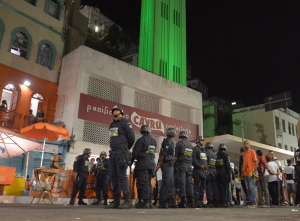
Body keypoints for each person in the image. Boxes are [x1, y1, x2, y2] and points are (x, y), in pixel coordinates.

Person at [106, 106, 135, 209]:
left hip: (121, 153)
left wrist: (125, 148)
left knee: (122, 175)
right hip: (113, 153)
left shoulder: (126, 123)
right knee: (113, 176)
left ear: (121, 112)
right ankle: (116, 200)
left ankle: (127, 200)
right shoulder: (112, 125)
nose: (114, 112)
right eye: (113, 111)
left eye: (116, 111)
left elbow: (132, 138)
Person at [131, 125, 157, 209]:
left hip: (143, 164)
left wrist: (130, 162)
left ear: (141, 131)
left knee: (143, 183)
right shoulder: (154, 141)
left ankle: (145, 202)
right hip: (151, 163)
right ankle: (149, 201)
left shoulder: (141, 140)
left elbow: (135, 153)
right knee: (148, 183)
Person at [155, 128, 176, 209]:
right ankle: (162, 201)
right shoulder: (168, 141)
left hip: (170, 164)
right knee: (166, 182)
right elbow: (163, 153)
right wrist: (160, 163)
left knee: (170, 183)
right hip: (167, 164)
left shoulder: (170, 141)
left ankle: (169, 200)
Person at [174, 131, 193, 208]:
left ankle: (183, 201)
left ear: (179, 137)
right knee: (189, 183)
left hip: (182, 165)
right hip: (189, 165)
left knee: (182, 183)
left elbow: (176, 157)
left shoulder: (179, 144)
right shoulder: (190, 145)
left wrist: (176, 163)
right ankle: (191, 202)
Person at [241, 140, 257, 208]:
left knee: (252, 187)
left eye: (247, 144)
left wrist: (254, 171)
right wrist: (242, 173)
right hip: (245, 173)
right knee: (247, 188)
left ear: (249, 145)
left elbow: (255, 161)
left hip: (251, 172)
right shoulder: (243, 153)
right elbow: (242, 164)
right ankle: (250, 201)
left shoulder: (252, 151)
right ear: (243, 145)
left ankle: (253, 202)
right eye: (245, 144)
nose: (246, 145)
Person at [216, 143, 230, 208]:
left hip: (217, 173)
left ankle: (218, 202)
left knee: (218, 188)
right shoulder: (226, 155)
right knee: (223, 188)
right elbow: (227, 165)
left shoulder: (216, 155)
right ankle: (223, 202)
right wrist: (228, 174)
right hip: (223, 173)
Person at [205, 142, 218, 207]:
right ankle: (215, 201)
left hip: (208, 171)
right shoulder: (215, 154)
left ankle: (209, 201)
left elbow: (205, 163)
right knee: (215, 187)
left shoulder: (206, 153)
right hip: (214, 171)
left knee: (208, 187)